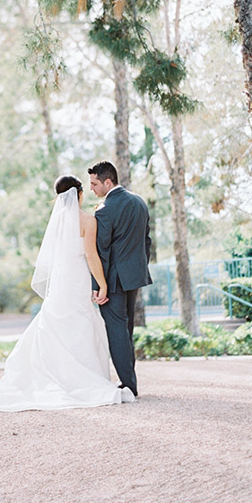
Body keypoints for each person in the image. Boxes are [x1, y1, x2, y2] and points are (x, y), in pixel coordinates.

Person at [0, 174, 134, 411]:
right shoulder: (87, 221)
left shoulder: (57, 221)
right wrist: (102, 285)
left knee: (56, 324)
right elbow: (91, 256)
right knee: (80, 324)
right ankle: (81, 379)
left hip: (61, 282)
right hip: (77, 279)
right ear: (79, 195)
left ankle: (55, 376)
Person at [88, 160, 152, 398]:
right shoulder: (139, 202)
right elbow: (147, 241)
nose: (92, 189)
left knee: (117, 332)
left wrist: (98, 287)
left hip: (112, 282)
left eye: (95, 184)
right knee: (126, 331)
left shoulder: (104, 210)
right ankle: (129, 380)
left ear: (108, 181)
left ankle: (128, 385)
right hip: (134, 277)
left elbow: (101, 251)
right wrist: (138, 267)